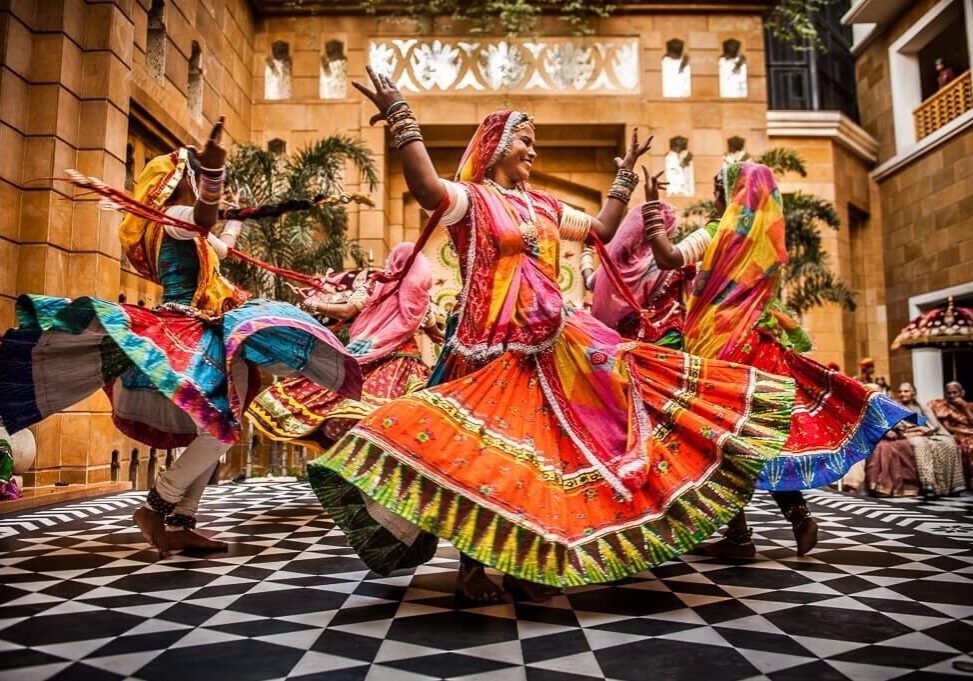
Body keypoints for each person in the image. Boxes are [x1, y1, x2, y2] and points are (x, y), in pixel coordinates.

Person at [305, 67, 798, 603]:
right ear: (497, 146)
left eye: (535, 141)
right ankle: (472, 568)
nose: (533, 150)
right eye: (525, 139)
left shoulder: (543, 205)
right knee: (481, 456)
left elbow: (602, 230)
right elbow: (425, 188)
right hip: (485, 349)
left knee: (539, 456)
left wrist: (623, 179)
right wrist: (402, 118)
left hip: (548, 347)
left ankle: (524, 560)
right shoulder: (472, 199)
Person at [0, 118, 361, 557]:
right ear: (184, 179)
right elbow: (204, 218)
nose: (204, 181)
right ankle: (158, 505)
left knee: (216, 425)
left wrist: (234, 215)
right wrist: (214, 174)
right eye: (198, 173)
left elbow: (220, 242)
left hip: (201, 330)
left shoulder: (186, 227)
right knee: (222, 427)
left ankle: (182, 519)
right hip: (184, 333)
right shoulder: (174, 217)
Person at [635, 162, 913, 558]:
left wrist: (650, 204)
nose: (714, 197)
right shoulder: (764, 241)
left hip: (719, 352)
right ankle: (798, 517)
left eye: (717, 190)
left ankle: (739, 537)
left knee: (718, 441)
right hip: (760, 348)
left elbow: (668, 257)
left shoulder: (716, 233)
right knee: (760, 439)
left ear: (728, 195)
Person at [249, 242, 443, 451]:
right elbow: (437, 336)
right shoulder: (422, 299)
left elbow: (346, 311)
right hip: (405, 365)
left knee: (340, 398)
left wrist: (311, 303)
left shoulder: (375, 285)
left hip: (368, 355)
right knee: (406, 412)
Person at [588, 199, 694, 347]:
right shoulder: (673, 265)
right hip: (665, 345)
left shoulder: (613, 266)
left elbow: (589, 281)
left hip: (621, 346)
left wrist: (586, 256)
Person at [866, 382, 964, 497]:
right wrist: (918, 429)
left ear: (914, 393)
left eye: (906, 391)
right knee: (921, 444)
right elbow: (897, 426)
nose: (902, 394)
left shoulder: (921, 406)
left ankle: (954, 485)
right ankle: (928, 484)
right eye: (900, 391)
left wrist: (929, 430)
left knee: (949, 443)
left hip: (927, 433)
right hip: (908, 434)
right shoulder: (895, 406)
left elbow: (934, 424)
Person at [929, 381, 973, 489]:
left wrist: (965, 407)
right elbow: (947, 428)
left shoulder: (970, 406)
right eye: (949, 393)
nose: (952, 396)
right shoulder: (942, 407)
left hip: (970, 432)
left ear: (962, 393)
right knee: (970, 445)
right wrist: (966, 431)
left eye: (955, 392)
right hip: (955, 434)